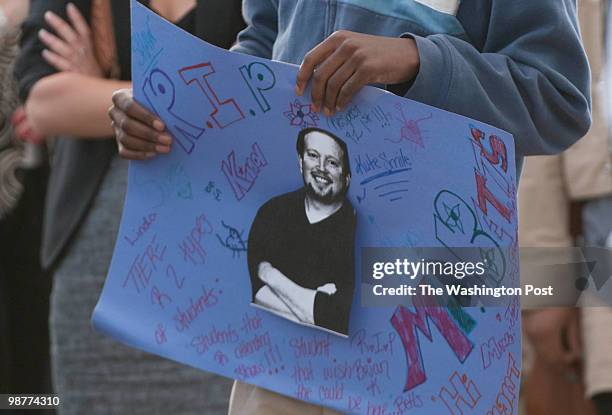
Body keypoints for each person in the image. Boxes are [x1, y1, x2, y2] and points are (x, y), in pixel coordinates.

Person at [109, 0, 592, 413]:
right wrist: (176, 112)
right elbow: (261, 48)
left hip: (420, 329)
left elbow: (557, 98)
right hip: (282, 336)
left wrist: (417, 60)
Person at [15, 0, 244, 413]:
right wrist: (176, 100)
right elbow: (44, 102)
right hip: (98, 268)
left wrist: (104, 88)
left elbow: (267, 91)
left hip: (222, 262)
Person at [248, 127, 356, 336]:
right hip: (266, 347)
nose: (321, 168)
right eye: (313, 156)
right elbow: (258, 297)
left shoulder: (356, 229)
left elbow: (336, 320)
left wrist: (270, 275)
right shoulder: (271, 212)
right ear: (300, 161)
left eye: (332, 162)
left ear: (347, 177)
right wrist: (313, 301)